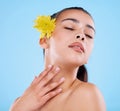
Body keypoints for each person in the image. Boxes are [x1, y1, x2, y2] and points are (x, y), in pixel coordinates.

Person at [10, 7, 106, 111]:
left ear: (87, 58)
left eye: (89, 35)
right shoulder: (19, 103)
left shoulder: (88, 93)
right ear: (44, 40)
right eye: (69, 27)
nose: (82, 36)